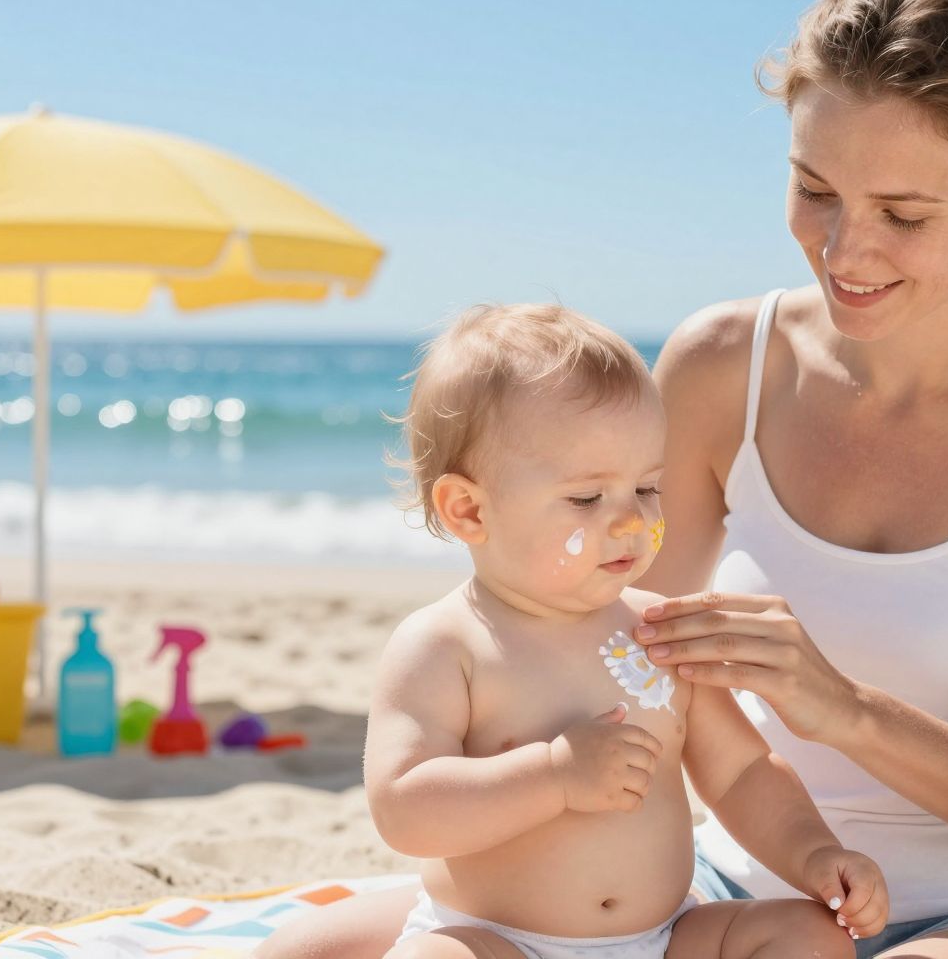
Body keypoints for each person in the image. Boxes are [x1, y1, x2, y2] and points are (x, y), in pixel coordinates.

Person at [258, 0, 948, 959]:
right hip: (735, 895)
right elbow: (588, 640)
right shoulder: (721, 366)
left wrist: (848, 713)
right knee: (299, 949)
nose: (843, 249)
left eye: (903, 215)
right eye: (814, 189)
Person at [342, 303, 886, 959]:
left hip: (661, 939)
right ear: (469, 510)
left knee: (809, 938)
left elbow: (743, 771)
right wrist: (551, 774)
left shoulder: (656, 630)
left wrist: (814, 853)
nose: (630, 521)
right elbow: (405, 808)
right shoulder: (447, 646)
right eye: (586, 498)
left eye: (648, 489)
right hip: (498, 942)